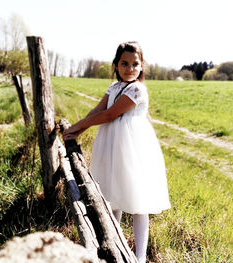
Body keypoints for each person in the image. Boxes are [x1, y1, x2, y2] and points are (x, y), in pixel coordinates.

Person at [63, 41, 171, 263]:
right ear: (116, 64)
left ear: (141, 67)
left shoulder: (137, 89)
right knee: (112, 194)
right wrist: (78, 128)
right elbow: (98, 110)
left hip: (133, 147)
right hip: (111, 144)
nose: (130, 68)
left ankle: (140, 257)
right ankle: (114, 243)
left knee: (137, 199)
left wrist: (78, 127)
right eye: (124, 63)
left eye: (135, 64)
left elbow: (110, 114)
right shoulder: (113, 87)